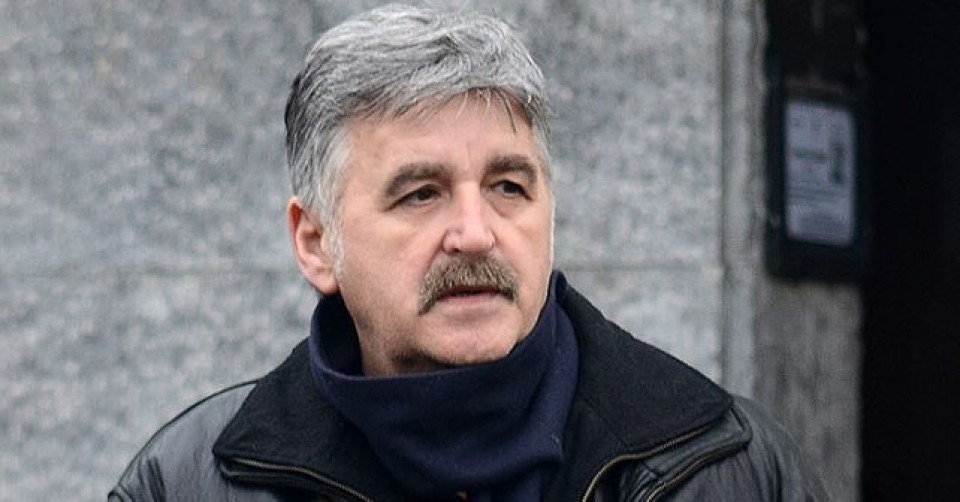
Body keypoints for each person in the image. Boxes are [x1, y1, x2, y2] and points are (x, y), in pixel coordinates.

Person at [109, 4, 828, 501]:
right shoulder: (189, 484)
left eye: (508, 186)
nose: (476, 232)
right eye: (420, 194)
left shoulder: (729, 468)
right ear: (316, 243)